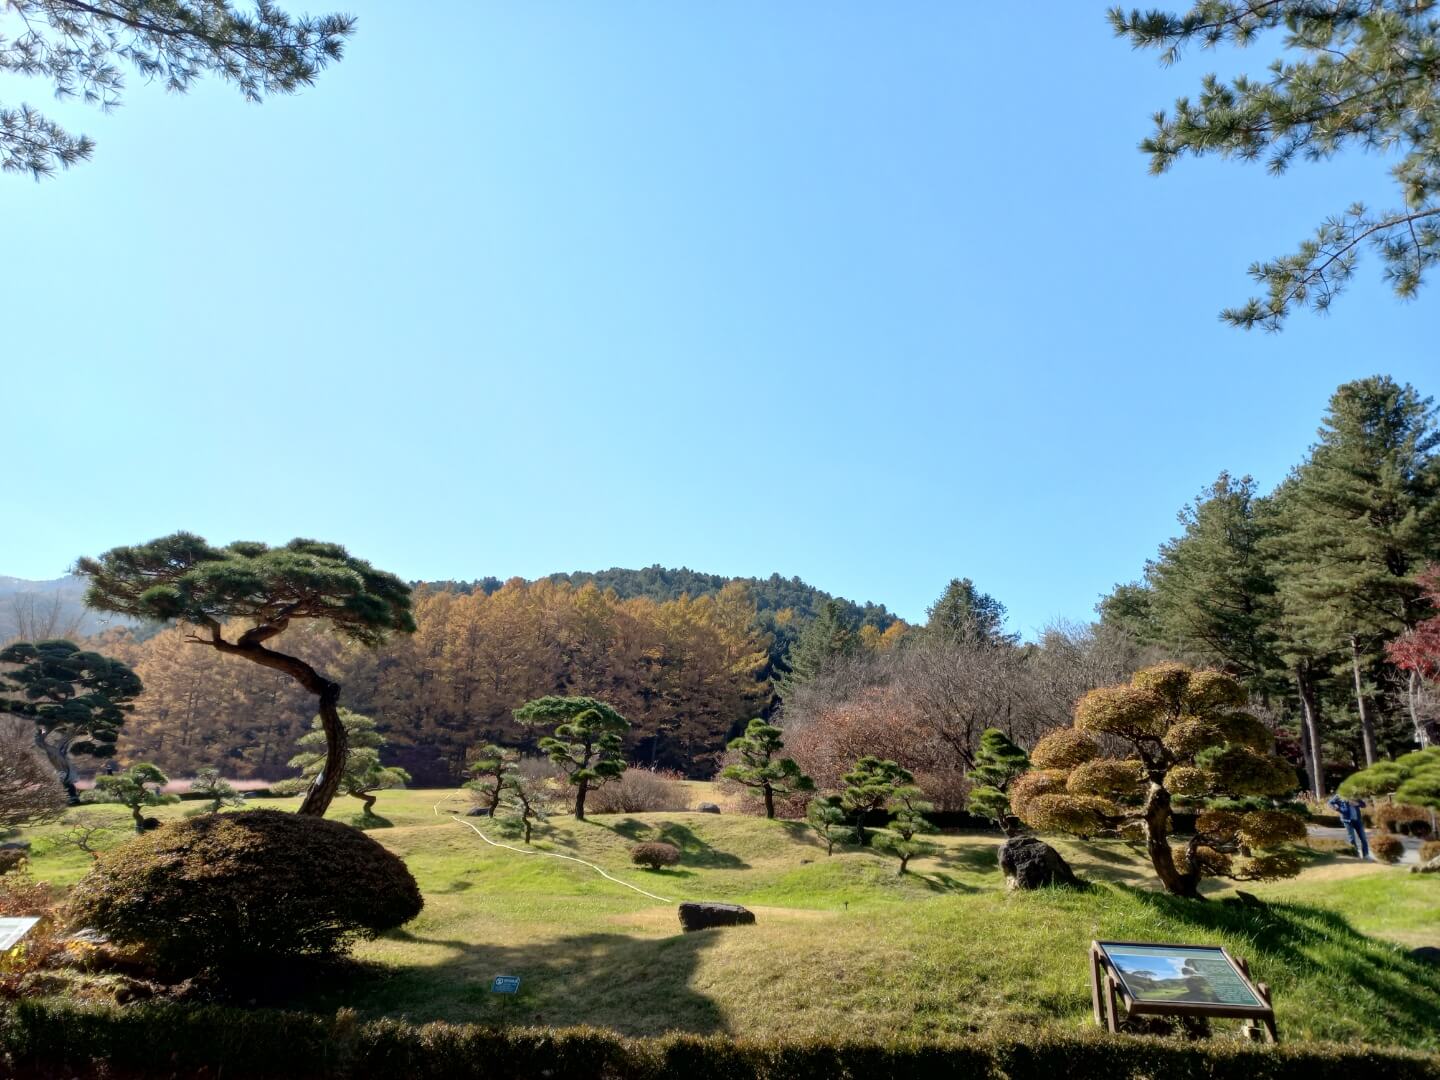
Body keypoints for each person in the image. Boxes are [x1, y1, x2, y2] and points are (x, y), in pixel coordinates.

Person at [1327, 794, 1370, 859]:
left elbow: (1364, 805)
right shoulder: (1339, 795)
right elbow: (1330, 803)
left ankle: (1366, 855)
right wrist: (1337, 808)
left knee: (1363, 838)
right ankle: (1356, 855)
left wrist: (1357, 804)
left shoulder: (1355, 795)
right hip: (1347, 820)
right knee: (1352, 838)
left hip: (1357, 820)